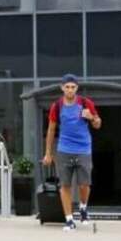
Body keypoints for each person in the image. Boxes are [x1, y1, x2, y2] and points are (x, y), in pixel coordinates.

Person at [41, 74, 101, 231]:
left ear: (77, 88)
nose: (70, 90)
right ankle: (69, 220)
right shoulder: (57, 106)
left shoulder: (85, 103)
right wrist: (48, 153)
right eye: (67, 87)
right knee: (65, 185)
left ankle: (83, 207)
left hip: (83, 149)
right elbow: (51, 129)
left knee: (84, 184)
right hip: (64, 149)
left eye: (72, 87)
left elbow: (98, 124)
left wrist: (92, 118)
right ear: (62, 88)